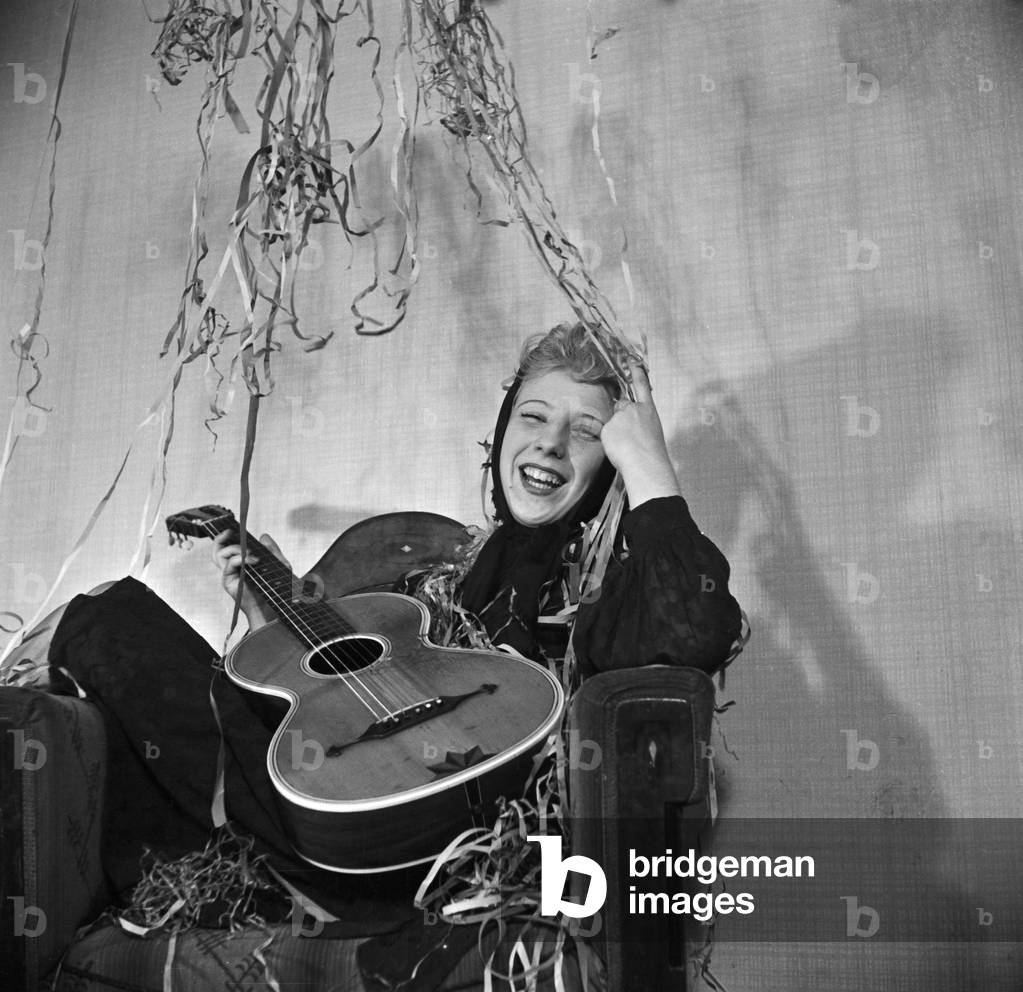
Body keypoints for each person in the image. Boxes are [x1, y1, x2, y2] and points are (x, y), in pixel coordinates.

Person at [46, 321, 743, 991]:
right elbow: (325, 705)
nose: (552, 445)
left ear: (611, 461)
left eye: (586, 432)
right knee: (113, 614)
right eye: (532, 418)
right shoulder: (433, 588)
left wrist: (651, 468)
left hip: (467, 853)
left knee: (107, 629)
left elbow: (693, 629)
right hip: (335, 817)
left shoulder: (610, 590)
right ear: (501, 431)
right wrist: (267, 610)